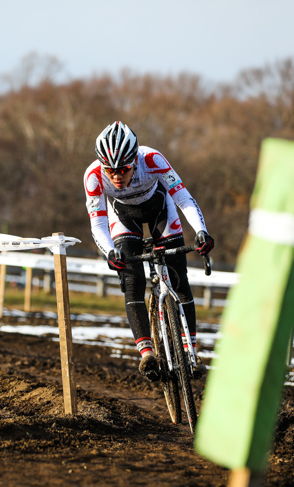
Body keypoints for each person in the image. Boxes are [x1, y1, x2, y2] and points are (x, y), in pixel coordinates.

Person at [83, 121, 214, 382]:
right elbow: (97, 222)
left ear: (135, 160)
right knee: (132, 281)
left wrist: (201, 231)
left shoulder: (152, 159)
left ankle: (191, 352)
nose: (117, 176)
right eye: (110, 170)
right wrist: (110, 252)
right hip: (123, 216)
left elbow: (183, 197)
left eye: (123, 169)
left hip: (160, 209)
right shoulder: (93, 176)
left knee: (178, 278)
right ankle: (146, 353)